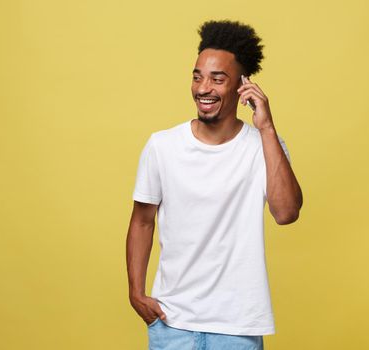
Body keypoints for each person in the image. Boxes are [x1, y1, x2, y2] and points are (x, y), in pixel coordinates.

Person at [126, 20, 303, 350]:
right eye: (197, 76)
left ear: (242, 86)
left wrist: (266, 128)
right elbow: (142, 220)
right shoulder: (162, 146)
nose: (203, 88)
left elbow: (286, 212)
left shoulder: (265, 146)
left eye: (217, 79)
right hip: (171, 324)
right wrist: (136, 294)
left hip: (237, 328)